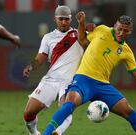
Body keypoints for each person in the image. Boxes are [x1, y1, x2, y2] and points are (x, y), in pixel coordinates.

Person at [43, 14, 136, 135]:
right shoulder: (102, 30)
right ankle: (46, 133)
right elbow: (82, 40)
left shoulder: (126, 51)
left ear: (130, 32)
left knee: (130, 113)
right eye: (119, 29)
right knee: (70, 104)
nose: (121, 33)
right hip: (84, 79)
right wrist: (82, 23)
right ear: (115, 26)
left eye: (125, 31)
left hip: (103, 86)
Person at [23, 6, 88, 135]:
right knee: (28, 113)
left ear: (70, 19)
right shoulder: (48, 37)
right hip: (51, 79)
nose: (64, 22)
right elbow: (41, 57)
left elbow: (85, 42)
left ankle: (57, 132)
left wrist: (83, 23)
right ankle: (34, 133)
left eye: (67, 19)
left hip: (71, 81)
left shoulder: (78, 33)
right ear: (55, 19)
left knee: (66, 108)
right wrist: (31, 66)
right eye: (61, 19)